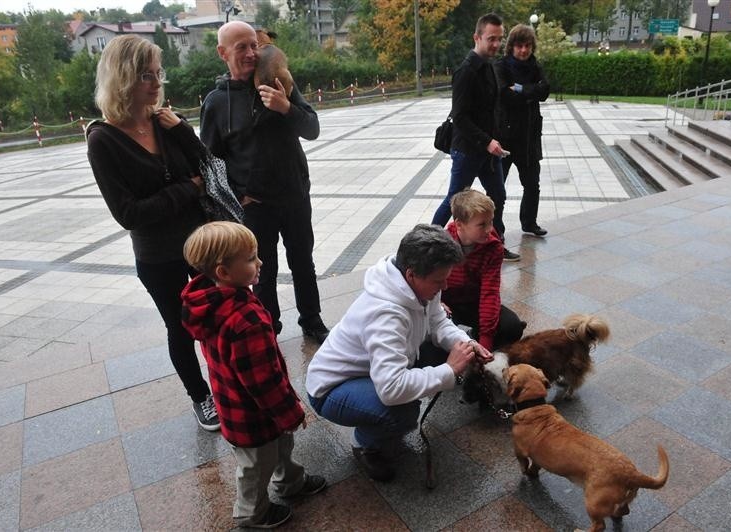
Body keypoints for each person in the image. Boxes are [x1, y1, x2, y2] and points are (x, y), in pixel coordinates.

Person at [86, 35, 219, 431]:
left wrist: (181, 131)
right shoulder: (103, 139)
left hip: (203, 242)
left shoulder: (164, 121)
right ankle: (202, 397)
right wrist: (186, 189)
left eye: (158, 73)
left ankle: (231, 381)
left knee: (219, 315)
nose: (157, 82)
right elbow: (129, 213)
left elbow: (206, 165)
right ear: (122, 77)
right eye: (146, 74)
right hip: (159, 255)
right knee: (180, 328)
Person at [305, 224, 493, 482]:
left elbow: (437, 322)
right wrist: (449, 370)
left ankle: (384, 417)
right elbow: (391, 389)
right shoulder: (385, 315)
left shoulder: (422, 285)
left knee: (441, 355)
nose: (446, 286)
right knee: (402, 413)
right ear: (411, 274)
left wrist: (464, 344)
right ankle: (365, 444)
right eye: (439, 281)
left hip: (374, 372)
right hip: (332, 389)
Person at [181, 222, 326, 529]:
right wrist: (290, 412)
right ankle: (251, 514)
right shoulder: (245, 319)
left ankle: (291, 482)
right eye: (250, 259)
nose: (260, 263)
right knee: (256, 466)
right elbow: (263, 382)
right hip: (254, 416)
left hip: (233, 401)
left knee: (281, 449)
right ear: (223, 272)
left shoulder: (211, 301)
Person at [200, 21, 329, 343]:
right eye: (241, 47)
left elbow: (312, 128)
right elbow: (212, 162)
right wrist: (238, 197)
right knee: (261, 271)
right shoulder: (216, 103)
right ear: (223, 53)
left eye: (253, 45)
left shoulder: (277, 81)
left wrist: (286, 107)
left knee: (303, 262)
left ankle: (311, 321)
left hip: (295, 195)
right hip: (255, 205)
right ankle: (268, 329)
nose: (250, 53)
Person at [431, 13, 520, 262]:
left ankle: (496, 244)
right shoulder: (466, 71)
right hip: (468, 150)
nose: (496, 44)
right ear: (477, 37)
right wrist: (487, 141)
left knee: (498, 196)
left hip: (488, 152)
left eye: (499, 39)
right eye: (491, 39)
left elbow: (491, 109)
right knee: (453, 201)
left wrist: (497, 138)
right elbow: (460, 117)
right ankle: (428, 244)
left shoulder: (490, 66)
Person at [441, 189, 526, 351]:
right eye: (481, 224)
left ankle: (475, 337)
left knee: (512, 327)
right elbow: (427, 285)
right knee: (436, 333)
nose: (489, 229)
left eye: (491, 221)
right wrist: (437, 303)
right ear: (459, 224)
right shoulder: (441, 244)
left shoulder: (493, 247)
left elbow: (490, 292)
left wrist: (486, 340)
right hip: (447, 304)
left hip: (475, 301)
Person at [495, 24, 550, 237]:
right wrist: (531, 92)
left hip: (529, 137)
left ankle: (529, 223)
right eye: (519, 46)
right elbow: (504, 95)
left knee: (532, 185)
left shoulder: (535, 66)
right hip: (505, 136)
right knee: (498, 189)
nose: (524, 51)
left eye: (527, 46)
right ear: (511, 47)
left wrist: (519, 88)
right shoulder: (501, 66)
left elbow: (544, 90)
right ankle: (496, 229)